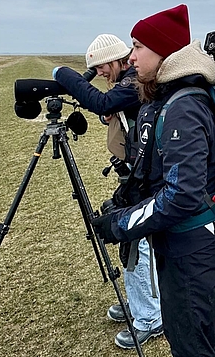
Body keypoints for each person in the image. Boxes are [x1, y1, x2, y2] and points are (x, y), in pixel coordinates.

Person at [91, 4, 215, 357]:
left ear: (163, 50)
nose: (131, 56)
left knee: (193, 346)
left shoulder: (183, 107)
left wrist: (121, 224)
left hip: (192, 249)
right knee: (191, 339)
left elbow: (182, 195)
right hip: (185, 244)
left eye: (138, 46)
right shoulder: (169, 96)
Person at [53, 34, 164, 349]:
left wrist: (62, 74)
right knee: (133, 245)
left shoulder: (134, 81)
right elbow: (117, 112)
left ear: (117, 58)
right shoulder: (129, 81)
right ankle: (141, 306)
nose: (100, 73)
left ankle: (149, 318)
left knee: (138, 246)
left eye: (101, 67)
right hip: (134, 175)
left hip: (141, 179)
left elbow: (101, 102)